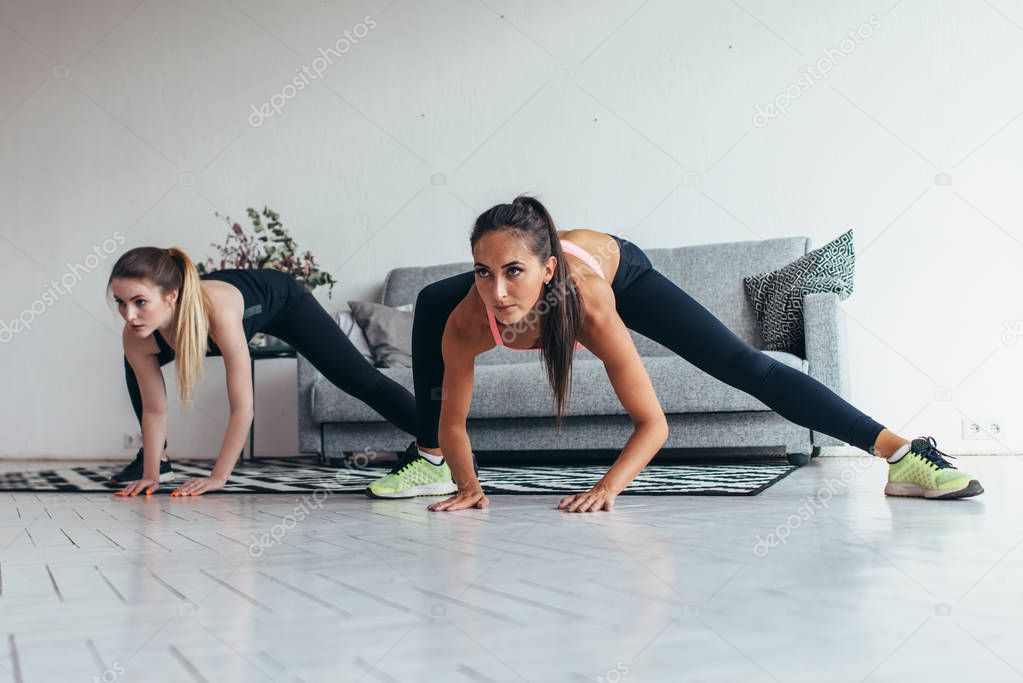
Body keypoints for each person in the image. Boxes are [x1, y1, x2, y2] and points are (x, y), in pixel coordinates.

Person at [366, 196, 984, 511]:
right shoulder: (469, 319)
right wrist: (468, 482)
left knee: (743, 365)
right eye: (482, 272)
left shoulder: (592, 305)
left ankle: (900, 454)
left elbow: (653, 423)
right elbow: (454, 417)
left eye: (513, 273)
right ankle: (430, 464)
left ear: (546, 268)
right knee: (426, 299)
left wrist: (608, 488)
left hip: (618, 269)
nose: (495, 292)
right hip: (555, 279)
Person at [108, 246, 419, 496]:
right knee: (130, 364)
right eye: (120, 303)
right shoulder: (136, 338)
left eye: (140, 302)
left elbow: (243, 407)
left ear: (170, 296)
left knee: (359, 379)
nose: (129, 315)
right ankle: (156, 461)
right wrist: (151, 476)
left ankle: (434, 444)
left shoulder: (216, 312)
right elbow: (153, 411)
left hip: (283, 302)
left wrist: (218, 477)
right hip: (217, 313)